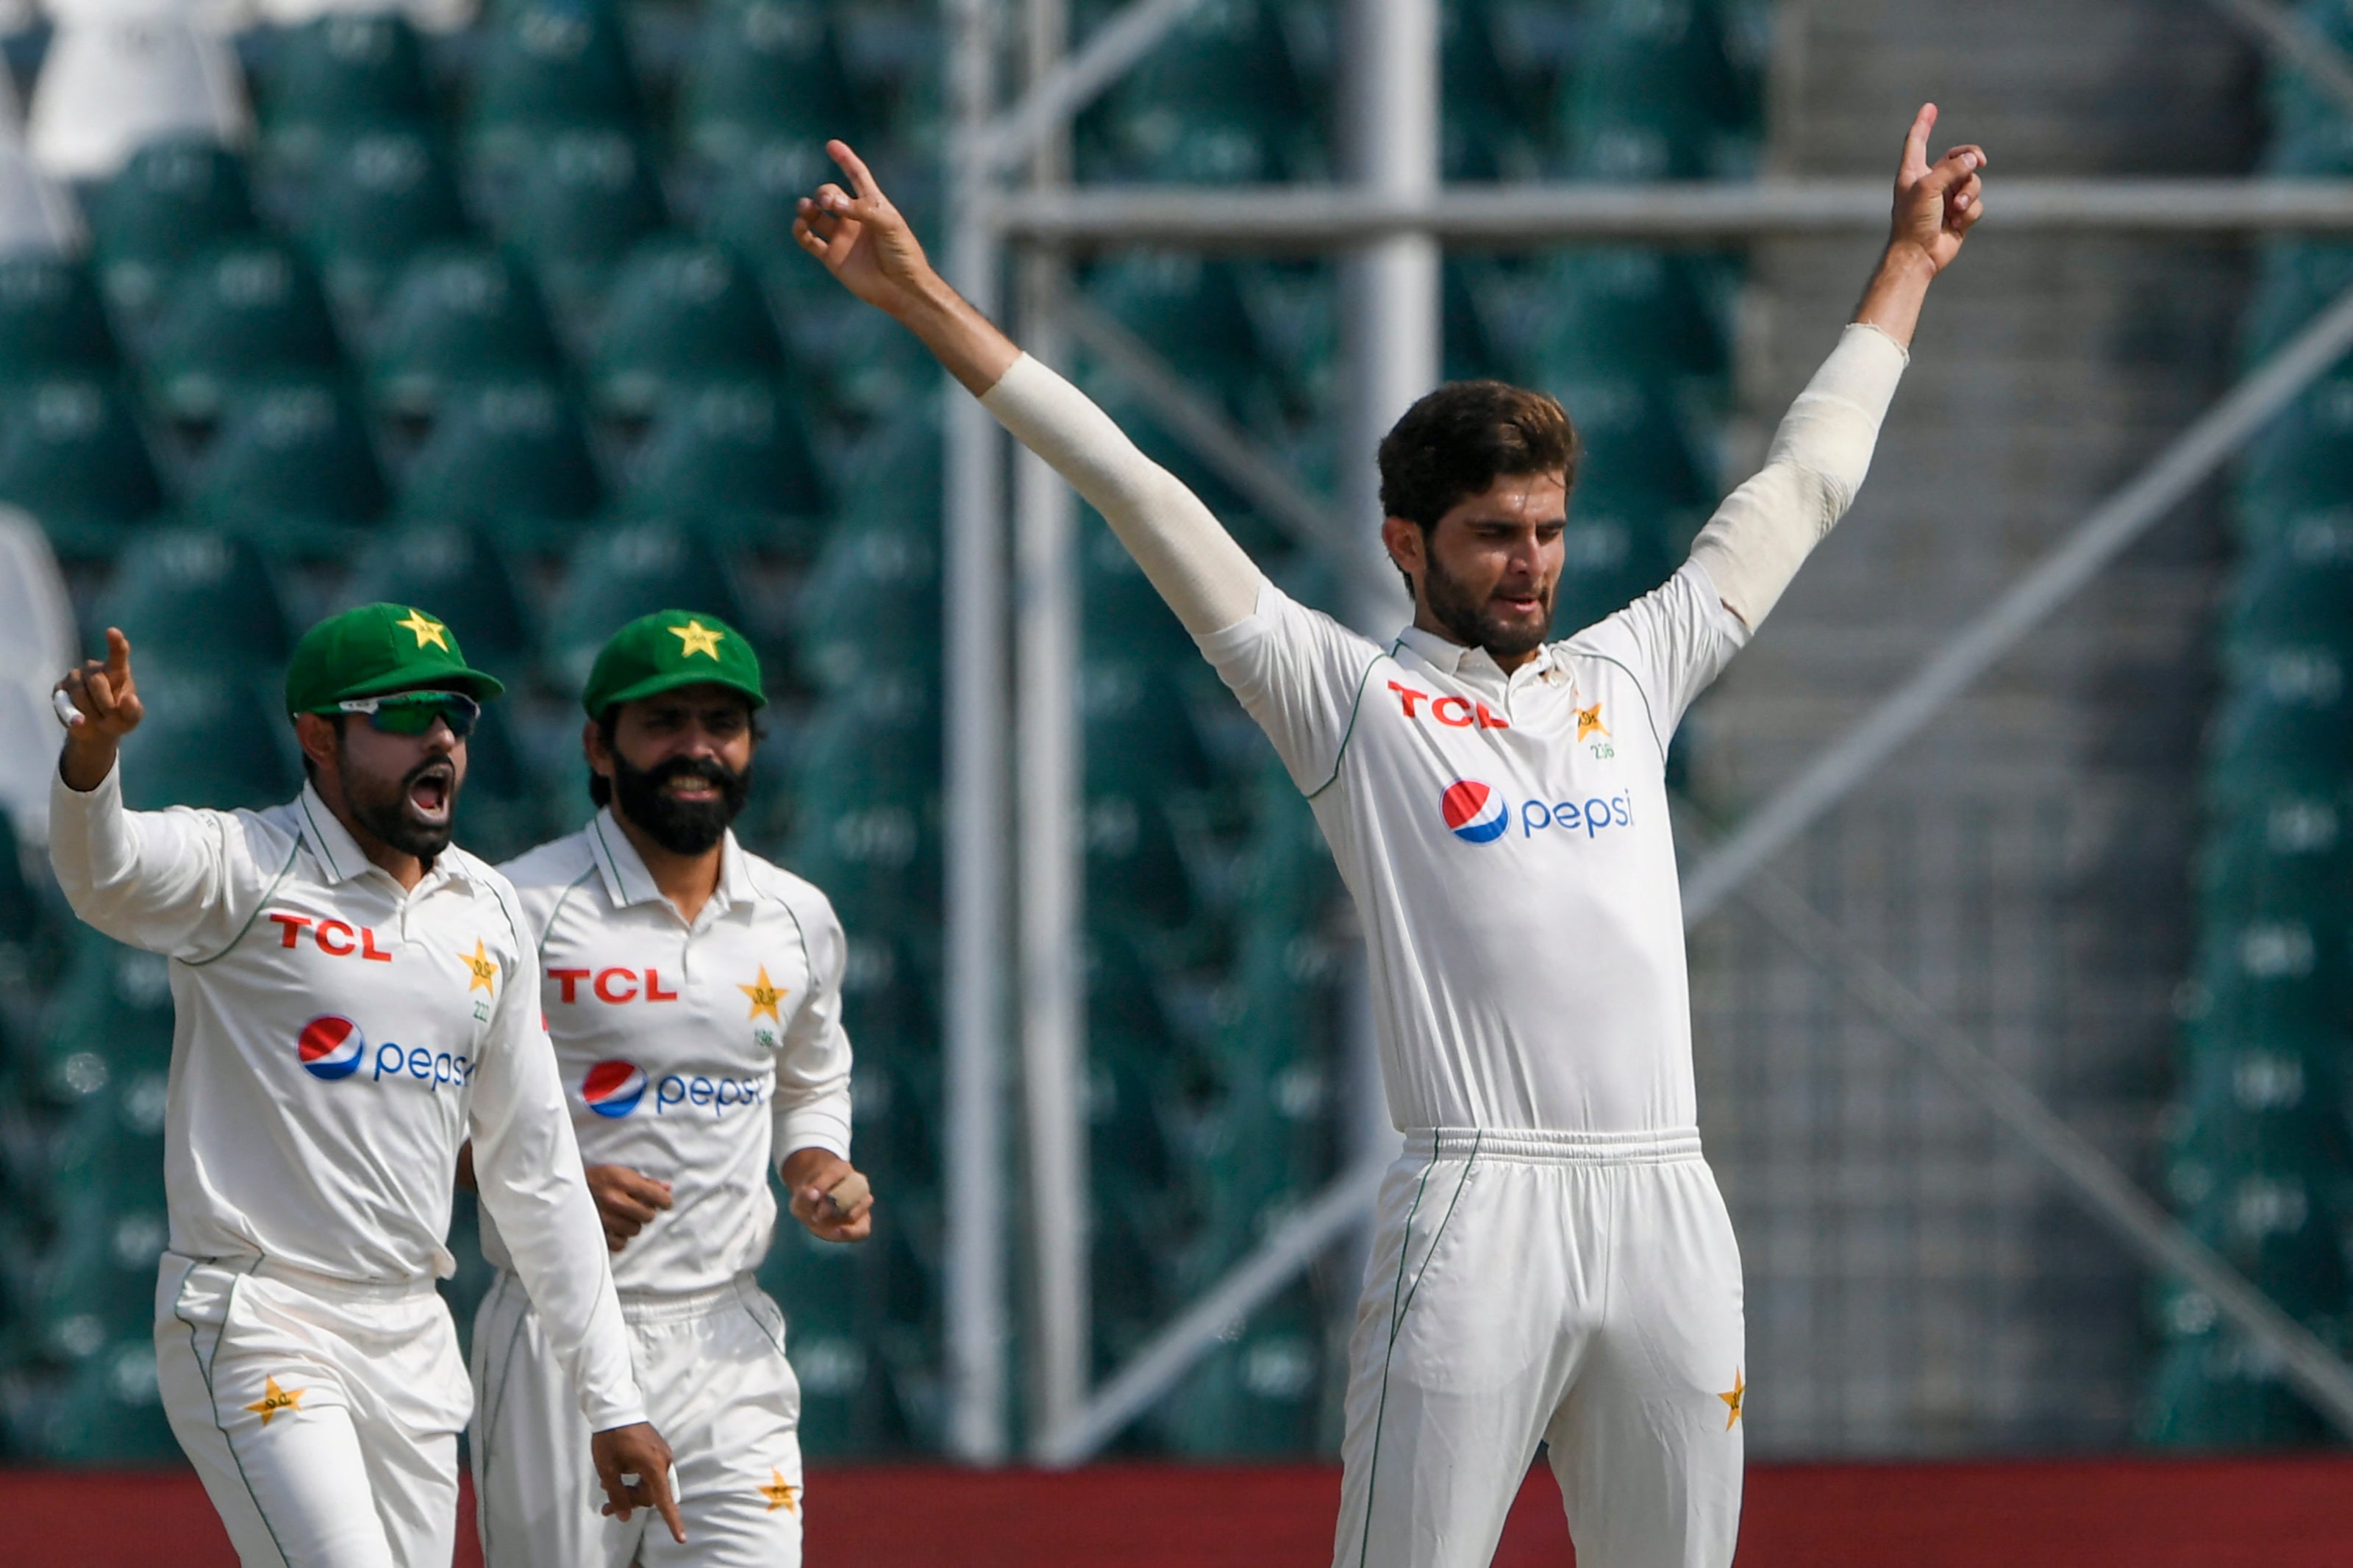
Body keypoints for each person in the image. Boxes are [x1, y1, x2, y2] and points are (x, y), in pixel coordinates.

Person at [792, 103, 1983, 1568]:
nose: (1530, 563)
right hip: (1479, 1203)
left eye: (1546, 528)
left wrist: (1907, 263)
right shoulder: (1346, 699)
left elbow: (1801, 482)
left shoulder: (1629, 671)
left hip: (1668, 1196)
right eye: (1494, 531)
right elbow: (1131, 483)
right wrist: (919, 295)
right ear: (1407, 543)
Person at [48, 604, 685, 1567]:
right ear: (317, 733)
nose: (440, 739)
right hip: (260, 1318)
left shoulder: (490, 911)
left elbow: (537, 1172)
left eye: (457, 716)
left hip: (412, 1344)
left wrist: (615, 1403)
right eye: (405, 714)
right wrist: (93, 760)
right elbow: (107, 874)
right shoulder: (246, 866)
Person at [463, 609, 871, 1568]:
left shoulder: (796, 916)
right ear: (599, 745)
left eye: (722, 724)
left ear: (752, 745)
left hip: (730, 1339)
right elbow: (422, 1114)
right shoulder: (515, 908)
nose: (697, 748)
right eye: (665, 722)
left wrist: (816, 1159)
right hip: (560, 1338)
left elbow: (813, 1070)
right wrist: (546, 1180)